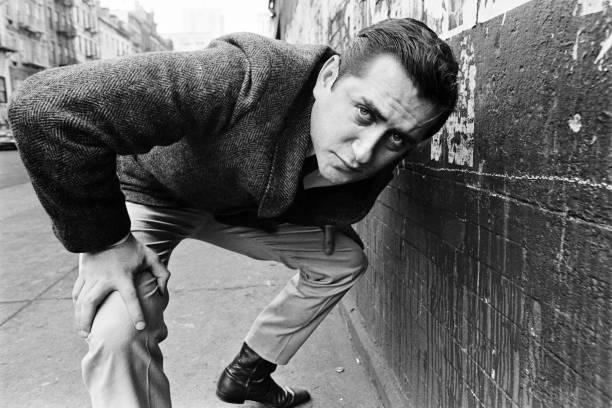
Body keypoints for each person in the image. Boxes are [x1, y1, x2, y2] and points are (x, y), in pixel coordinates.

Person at [8, 18, 458, 408]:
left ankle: (251, 372)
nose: (365, 153)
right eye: (363, 112)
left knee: (343, 259)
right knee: (120, 327)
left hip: (239, 212)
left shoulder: (380, 151)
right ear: (328, 77)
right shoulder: (245, 74)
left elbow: (329, 195)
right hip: (152, 197)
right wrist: (104, 243)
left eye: (397, 138)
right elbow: (46, 108)